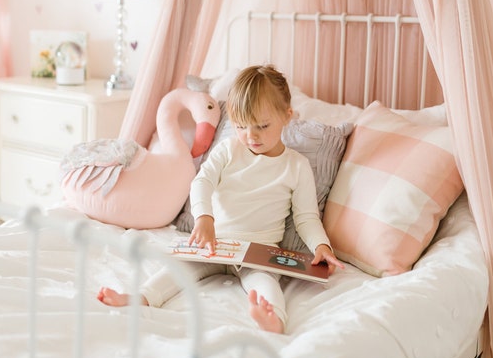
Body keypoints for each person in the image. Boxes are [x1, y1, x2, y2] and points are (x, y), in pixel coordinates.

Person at [97, 64, 344, 334]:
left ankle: (274, 319)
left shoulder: (296, 166)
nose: (251, 135)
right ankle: (140, 298)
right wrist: (204, 218)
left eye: (262, 125)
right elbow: (202, 181)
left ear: (287, 116)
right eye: (241, 126)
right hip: (214, 244)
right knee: (176, 269)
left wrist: (321, 246)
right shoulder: (229, 150)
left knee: (266, 284)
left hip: (258, 254)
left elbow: (306, 216)